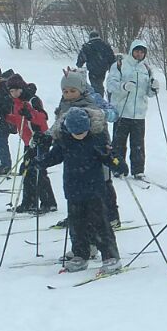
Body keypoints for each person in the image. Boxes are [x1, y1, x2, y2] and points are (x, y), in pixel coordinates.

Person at [37, 106, 122, 274]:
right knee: (77, 225)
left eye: (83, 131)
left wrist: (117, 163)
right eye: (76, 132)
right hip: (73, 190)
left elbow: (109, 157)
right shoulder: (64, 141)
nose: (80, 135)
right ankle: (80, 255)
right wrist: (40, 160)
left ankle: (110, 257)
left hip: (94, 190)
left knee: (100, 225)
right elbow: (54, 157)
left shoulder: (96, 140)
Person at [51, 68, 121, 229]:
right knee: (78, 186)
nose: (69, 93)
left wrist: (99, 114)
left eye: (72, 90)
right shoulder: (65, 102)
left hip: (96, 147)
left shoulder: (93, 98)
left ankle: (111, 216)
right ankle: (76, 217)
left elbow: (113, 113)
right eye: (65, 90)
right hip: (74, 150)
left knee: (103, 181)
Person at [105, 39, 159, 180]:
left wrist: (154, 88)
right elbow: (110, 84)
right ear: (131, 51)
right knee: (118, 144)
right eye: (137, 51)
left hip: (139, 114)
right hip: (122, 112)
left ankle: (138, 170)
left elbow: (149, 93)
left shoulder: (146, 68)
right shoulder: (120, 65)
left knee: (138, 145)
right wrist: (123, 86)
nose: (139, 54)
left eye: (142, 52)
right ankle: (118, 168)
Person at [4, 74, 56, 214]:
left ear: (22, 87)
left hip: (40, 139)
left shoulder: (32, 100)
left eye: (17, 90)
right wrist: (6, 116)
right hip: (29, 141)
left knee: (38, 171)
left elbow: (43, 118)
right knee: (27, 172)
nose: (14, 93)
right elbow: (18, 120)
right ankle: (29, 202)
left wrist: (30, 115)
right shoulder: (16, 102)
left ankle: (48, 203)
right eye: (11, 91)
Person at [76, 30, 116, 99]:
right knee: (99, 84)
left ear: (90, 37)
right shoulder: (105, 45)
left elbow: (81, 59)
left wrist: (79, 65)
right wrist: (111, 68)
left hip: (93, 70)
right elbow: (111, 58)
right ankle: (100, 98)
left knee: (95, 86)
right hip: (103, 69)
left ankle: (98, 100)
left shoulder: (87, 46)